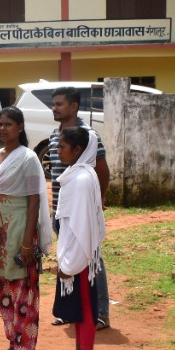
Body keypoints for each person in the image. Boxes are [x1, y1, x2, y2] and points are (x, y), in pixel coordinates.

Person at [0, 107, 51, 350]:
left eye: (8, 124)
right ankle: (14, 341)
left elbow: (34, 201)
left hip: (20, 229)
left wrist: (27, 242)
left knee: (23, 290)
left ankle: (24, 348)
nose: (2, 128)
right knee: (2, 288)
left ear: (20, 127)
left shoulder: (28, 158)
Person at [43, 86, 112, 329]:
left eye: (59, 104)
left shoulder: (88, 136)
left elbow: (102, 171)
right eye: (53, 104)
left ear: (74, 106)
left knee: (91, 257)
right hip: (61, 208)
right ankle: (69, 310)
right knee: (66, 256)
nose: (54, 108)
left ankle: (101, 312)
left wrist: (97, 203)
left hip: (81, 210)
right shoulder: (55, 135)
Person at [48, 126, 106, 350]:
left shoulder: (82, 180)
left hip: (80, 254)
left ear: (78, 149)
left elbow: (81, 226)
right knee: (79, 308)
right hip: (75, 252)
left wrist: (70, 262)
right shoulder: (77, 174)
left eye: (62, 147)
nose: (57, 151)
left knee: (86, 308)